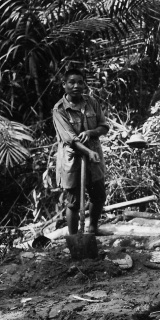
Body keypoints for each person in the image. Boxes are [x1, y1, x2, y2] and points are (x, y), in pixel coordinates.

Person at [52, 68, 109, 259]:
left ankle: (92, 228)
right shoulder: (59, 110)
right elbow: (70, 139)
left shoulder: (92, 103)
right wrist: (88, 151)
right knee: (74, 202)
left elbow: (104, 126)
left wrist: (91, 133)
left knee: (98, 195)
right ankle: (74, 238)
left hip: (94, 158)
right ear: (64, 85)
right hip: (72, 159)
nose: (76, 86)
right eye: (71, 82)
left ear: (84, 84)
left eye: (79, 82)